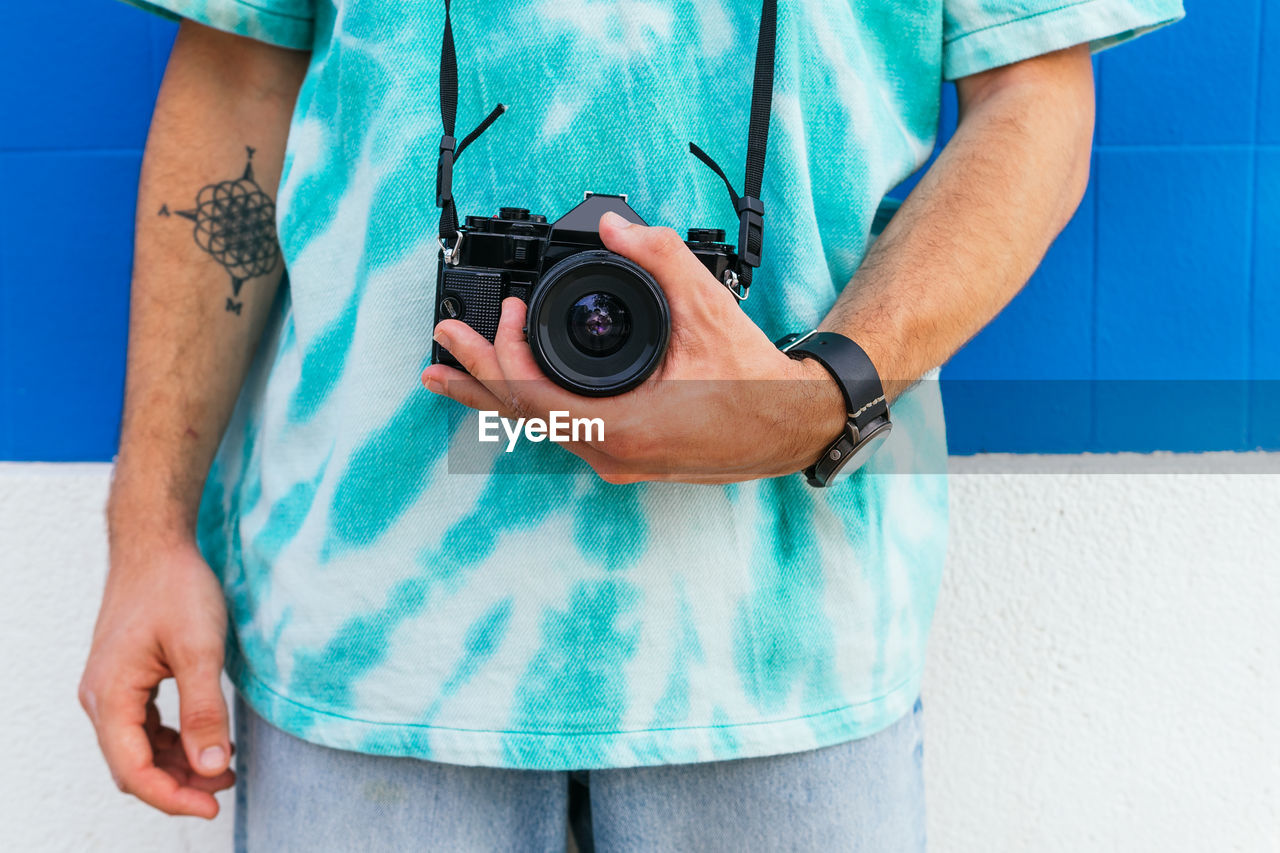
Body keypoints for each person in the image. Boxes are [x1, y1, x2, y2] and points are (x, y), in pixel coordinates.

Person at [79, 0, 1183, 849]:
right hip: (363, 638)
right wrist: (148, 528)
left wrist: (814, 398)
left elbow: (1033, 96)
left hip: (780, 646)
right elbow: (236, 77)